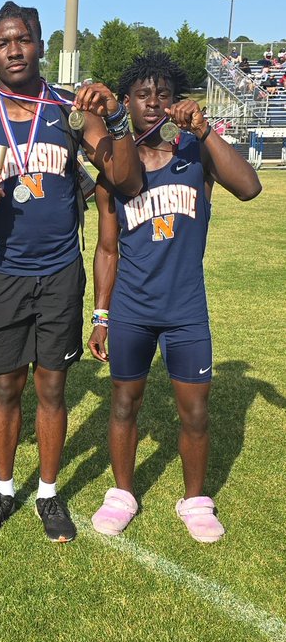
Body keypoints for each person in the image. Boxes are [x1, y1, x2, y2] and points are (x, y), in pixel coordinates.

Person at [0, 0, 142, 541]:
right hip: (4, 272)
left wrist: (117, 117)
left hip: (60, 273)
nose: (14, 50)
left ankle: (49, 495)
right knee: (7, 386)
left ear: (39, 44)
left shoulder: (70, 110)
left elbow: (124, 179)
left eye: (24, 39)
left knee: (52, 388)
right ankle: (5, 489)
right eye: (4, 42)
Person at [88, 51, 261, 542]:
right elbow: (106, 249)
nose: (153, 103)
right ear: (126, 101)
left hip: (186, 307)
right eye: (142, 94)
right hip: (132, 309)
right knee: (124, 403)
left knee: (196, 411)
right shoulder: (113, 171)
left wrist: (205, 131)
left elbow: (249, 187)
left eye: (162, 94)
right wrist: (101, 315)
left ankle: (196, 500)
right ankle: (122, 493)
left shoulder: (194, 151)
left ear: (176, 100)